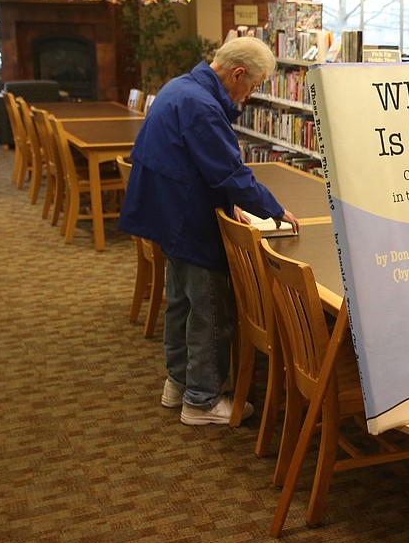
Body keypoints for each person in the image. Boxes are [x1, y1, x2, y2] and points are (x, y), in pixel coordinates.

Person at [119, 36, 300, 426]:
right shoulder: (202, 107)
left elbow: (203, 163)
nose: (250, 96)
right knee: (210, 309)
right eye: (251, 86)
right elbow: (228, 170)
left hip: (168, 210)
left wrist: (231, 198)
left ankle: (180, 383)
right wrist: (274, 209)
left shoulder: (179, 87)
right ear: (236, 73)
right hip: (189, 216)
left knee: (182, 302)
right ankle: (201, 400)